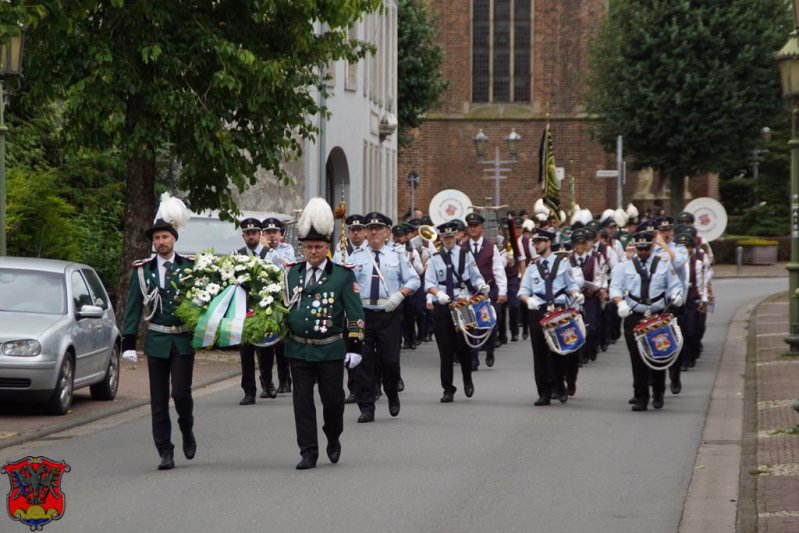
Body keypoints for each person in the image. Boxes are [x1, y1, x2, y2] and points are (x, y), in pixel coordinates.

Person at [283, 198, 365, 470]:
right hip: (299, 349)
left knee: (333, 402)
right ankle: (308, 451)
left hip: (330, 349)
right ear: (302, 248)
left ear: (327, 247)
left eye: (318, 247)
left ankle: (333, 435)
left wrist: (355, 346)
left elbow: (355, 314)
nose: (313, 252)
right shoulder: (291, 274)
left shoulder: (342, 276)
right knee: (302, 403)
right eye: (308, 247)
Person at [121, 193, 196, 471]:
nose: (161, 242)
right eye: (157, 238)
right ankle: (165, 450)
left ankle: (187, 429)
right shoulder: (143, 271)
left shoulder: (189, 267)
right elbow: (132, 307)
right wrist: (128, 342)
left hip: (183, 340)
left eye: (165, 237)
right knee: (158, 400)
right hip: (156, 340)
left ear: (174, 238)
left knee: (181, 394)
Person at [348, 212, 420, 422]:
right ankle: (367, 407)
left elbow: (414, 280)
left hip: (389, 313)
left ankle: (391, 392)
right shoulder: (356, 257)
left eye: (378, 228)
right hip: (363, 314)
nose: (373, 232)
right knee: (363, 361)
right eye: (369, 228)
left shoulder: (396, 255)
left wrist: (400, 295)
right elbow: (347, 285)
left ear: (387, 232)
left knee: (389, 360)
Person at [610, 224, 683, 412]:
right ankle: (641, 396)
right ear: (635, 247)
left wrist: (676, 295)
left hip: (657, 314)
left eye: (646, 248)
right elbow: (615, 288)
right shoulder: (623, 267)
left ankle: (658, 392)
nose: (643, 251)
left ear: (652, 247)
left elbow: (674, 285)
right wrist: (620, 303)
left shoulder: (663, 263)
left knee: (659, 353)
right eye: (639, 248)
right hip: (635, 313)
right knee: (637, 357)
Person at [424, 220, 489, 402]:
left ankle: (467, 379)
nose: (449, 240)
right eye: (445, 237)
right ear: (441, 238)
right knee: (445, 350)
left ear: (457, 236)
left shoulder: (465, 255)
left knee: (465, 346)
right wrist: (437, 293)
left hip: (463, 304)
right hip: (443, 306)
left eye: (451, 236)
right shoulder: (435, 258)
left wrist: (481, 285)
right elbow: (428, 282)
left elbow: (475, 277)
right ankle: (448, 388)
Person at [518, 227, 582, 406]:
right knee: (539, 353)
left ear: (548, 243)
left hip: (559, 310)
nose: (536, 245)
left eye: (539, 242)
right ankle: (544, 392)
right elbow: (523, 290)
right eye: (534, 242)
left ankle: (560, 385)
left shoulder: (563, 263)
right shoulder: (532, 267)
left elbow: (571, 285)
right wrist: (527, 300)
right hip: (538, 309)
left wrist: (576, 294)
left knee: (559, 351)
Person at [233, 217, 274, 404]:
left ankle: (267, 383)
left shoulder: (269, 254)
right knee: (245, 351)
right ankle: (249, 391)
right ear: (243, 236)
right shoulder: (237, 255)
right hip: (243, 309)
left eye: (254, 233)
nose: (251, 236)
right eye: (248, 234)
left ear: (260, 234)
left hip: (263, 308)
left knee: (265, 349)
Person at [463, 212, 508, 369]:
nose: (473, 229)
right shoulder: (462, 247)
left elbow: (498, 270)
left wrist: (502, 291)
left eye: (476, 226)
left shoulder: (491, 247)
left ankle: (490, 350)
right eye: (470, 226)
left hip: (489, 291)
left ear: (482, 228)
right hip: (469, 292)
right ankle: (474, 358)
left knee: (490, 323)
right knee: (471, 325)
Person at [261, 217, 296, 394]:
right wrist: (264, 249)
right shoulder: (260, 250)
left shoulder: (287, 248)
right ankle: (266, 383)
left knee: (282, 342)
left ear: (281, 234)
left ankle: (285, 380)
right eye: (268, 233)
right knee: (264, 342)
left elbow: (286, 266)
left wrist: (272, 251)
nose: (272, 236)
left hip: (281, 298)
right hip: (263, 299)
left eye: (274, 232)